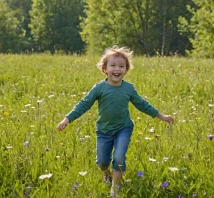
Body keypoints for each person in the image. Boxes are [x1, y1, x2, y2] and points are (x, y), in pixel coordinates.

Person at [56, 46, 174, 196]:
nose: (117, 69)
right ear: (105, 69)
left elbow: (142, 104)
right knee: (102, 162)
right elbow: (84, 104)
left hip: (123, 129)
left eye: (121, 66)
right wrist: (67, 118)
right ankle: (107, 173)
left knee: (118, 157)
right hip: (103, 131)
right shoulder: (99, 88)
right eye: (113, 65)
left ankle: (115, 187)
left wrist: (161, 116)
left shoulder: (129, 89)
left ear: (126, 70)